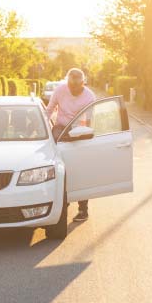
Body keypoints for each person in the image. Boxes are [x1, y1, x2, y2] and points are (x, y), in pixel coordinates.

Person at [46, 68, 96, 223]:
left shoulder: (89, 96)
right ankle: (61, 202)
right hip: (60, 129)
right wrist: (41, 126)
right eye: (70, 86)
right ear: (67, 83)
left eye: (77, 87)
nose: (73, 90)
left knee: (81, 170)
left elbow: (90, 120)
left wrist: (84, 134)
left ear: (83, 83)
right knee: (59, 167)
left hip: (79, 130)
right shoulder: (60, 90)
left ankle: (83, 209)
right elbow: (49, 109)